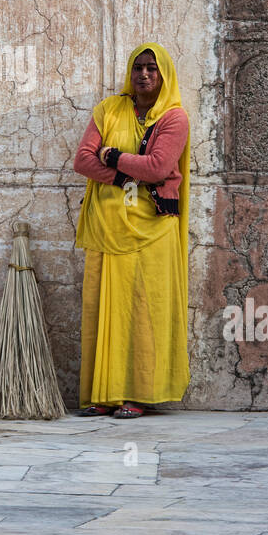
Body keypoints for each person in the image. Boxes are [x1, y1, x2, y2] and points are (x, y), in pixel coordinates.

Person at [73, 42, 190, 418]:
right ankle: (103, 395)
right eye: (138, 67)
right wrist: (126, 170)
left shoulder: (174, 118)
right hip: (107, 226)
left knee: (142, 312)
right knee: (104, 310)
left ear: (163, 75)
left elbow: (158, 168)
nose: (143, 74)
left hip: (152, 229)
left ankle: (137, 395)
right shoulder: (109, 110)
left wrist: (111, 156)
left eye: (152, 69)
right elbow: (82, 160)